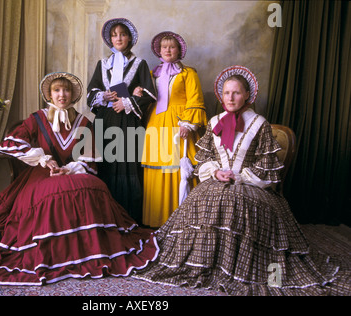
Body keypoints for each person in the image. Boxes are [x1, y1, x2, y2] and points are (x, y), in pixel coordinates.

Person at [133, 66, 350, 295]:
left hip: (251, 185)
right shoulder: (216, 121)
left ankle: (236, 265)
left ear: (247, 95)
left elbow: (267, 166)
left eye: (236, 93)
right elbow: (204, 156)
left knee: (234, 200)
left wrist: (239, 176)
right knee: (204, 198)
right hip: (217, 180)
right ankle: (204, 262)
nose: (231, 98)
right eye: (226, 93)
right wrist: (216, 172)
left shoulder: (259, 123)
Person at [0, 72, 159, 286]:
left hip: (71, 172)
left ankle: (87, 250)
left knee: (93, 185)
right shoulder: (37, 119)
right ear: (49, 94)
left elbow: (90, 156)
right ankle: (52, 253)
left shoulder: (83, 122)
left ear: (72, 95)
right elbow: (12, 142)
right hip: (41, 173)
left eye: (66, 91)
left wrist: (71, 168)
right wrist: (43, 159)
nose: (62, 95)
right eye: (57, 91)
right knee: (50, 194)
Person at [87, 18, 156, 224]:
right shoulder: (103, 64)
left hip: (128, 123)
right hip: (105, 121)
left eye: (123, 34)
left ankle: (129, 220)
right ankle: (105, 219)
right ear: (109, 39)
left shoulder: (139, 64)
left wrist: (127, 102)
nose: (118, 38)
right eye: (114, 34)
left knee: (128, 169)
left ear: (130, 39)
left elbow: (150, 95)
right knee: (105, 166)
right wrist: (103, 97)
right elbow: (91, 93)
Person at [138, 31, 207, 228]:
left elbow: (196, 99)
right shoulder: (152, 74)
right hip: (156, 123)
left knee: (181, 170)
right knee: (158, 168)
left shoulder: (188, 73)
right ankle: (157, 219)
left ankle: (182, 220)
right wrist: (137, 92)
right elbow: (145, 97)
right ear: (159, 51)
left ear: (179, 50)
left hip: (179, 125)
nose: (167, 50)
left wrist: (187, 123)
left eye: (172, 46)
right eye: (164, 47)